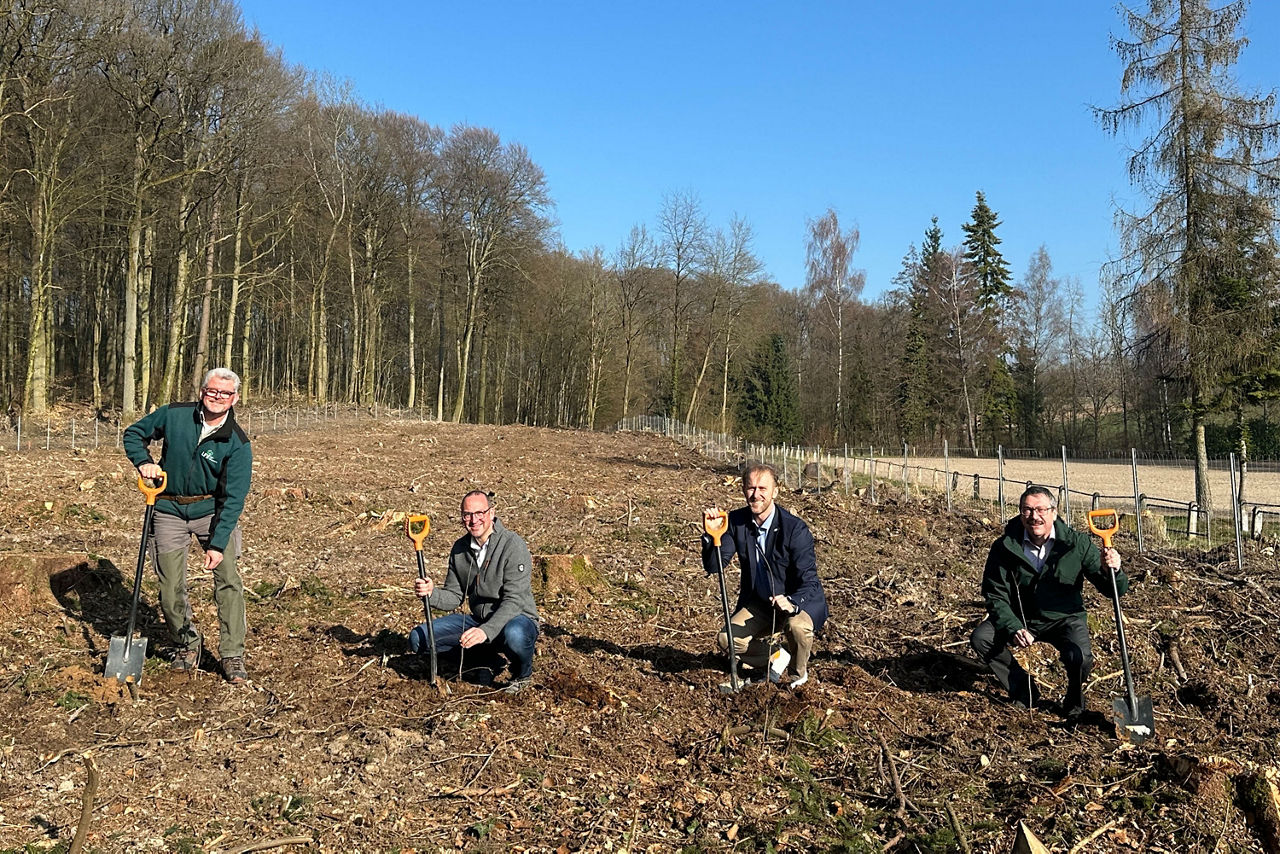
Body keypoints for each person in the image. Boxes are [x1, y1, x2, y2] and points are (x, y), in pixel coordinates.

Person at [122, 368, 253, 684]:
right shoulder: (175, 415)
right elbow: (133, 434)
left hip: (212, 512)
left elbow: (233, 499)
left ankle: (232, 654)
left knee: (228, 580)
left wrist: (218, 544)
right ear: (202, 391)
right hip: (167, 508)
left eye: (224, 393)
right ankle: (186, 643)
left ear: (234, 398)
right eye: (212, 391)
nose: (217, 397)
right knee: (169, 588)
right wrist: (143, 462)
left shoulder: (237, 442)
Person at [970, 486, 1128, 722]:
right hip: (1021, 616)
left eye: (1041, 509)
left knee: (1080, 657)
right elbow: (995, 594)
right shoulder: (1004, 547)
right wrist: (1013, 626)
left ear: (1054, 512)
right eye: (1028, 510)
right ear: (1020, 513)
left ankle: (1074, 701)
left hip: (1064, 618)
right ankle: (1024, 690)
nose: (1035, 516)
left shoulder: (1077, 544)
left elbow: (1112, 590)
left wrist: (1113, 571)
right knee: (982, 638)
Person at [702, 463, 827, 688]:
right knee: (727, 639)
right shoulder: (736, 522)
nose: (756, 494)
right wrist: (712, 537)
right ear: (743, 490)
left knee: (796, 628)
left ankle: (797, 677)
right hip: (761, 603)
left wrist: (791, 602)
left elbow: (809, 580)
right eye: (750, 488)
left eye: (762, 488)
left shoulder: (794, 530)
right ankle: (776, 657)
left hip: (797, 601)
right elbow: (715, 566)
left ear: (775, 491)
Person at [410, 490, 539, 692]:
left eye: (479, 513)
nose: (473, 520)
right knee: (419, 639)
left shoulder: (512, 545)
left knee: (516, 634)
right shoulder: (460, 549)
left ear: (491, 512)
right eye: (467, 514)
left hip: (515, 618)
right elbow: (454, 595)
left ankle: (522, 675)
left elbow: (514, 601)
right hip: (478, 620)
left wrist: (485, 631)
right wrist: (432, 592)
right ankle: (487, 660)